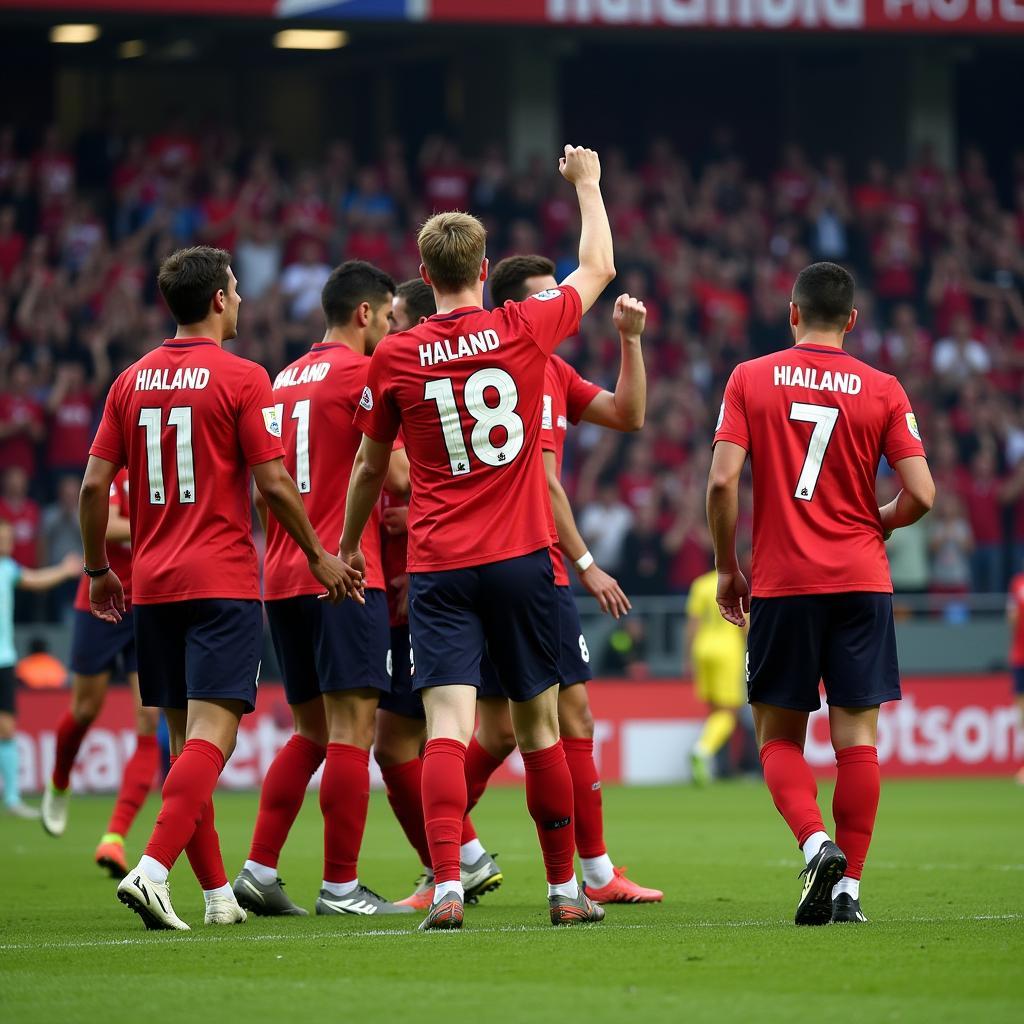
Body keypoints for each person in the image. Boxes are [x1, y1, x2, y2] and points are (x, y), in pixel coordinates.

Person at [340, 144, 616, 931]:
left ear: (423, 278)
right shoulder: (523, 329)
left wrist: (349, 547)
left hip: (440, 566)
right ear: (485, 265)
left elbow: (367, 468)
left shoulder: (394, 354)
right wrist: (588, 186)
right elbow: (596, 265)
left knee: (448, 728)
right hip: (525, 558)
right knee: (538, 728)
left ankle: (450, 888)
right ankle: (566, 893)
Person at [81, 245, 360, 932]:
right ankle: (152, 871)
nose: (239, 300)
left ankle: (217, 897)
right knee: (212, 740)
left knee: (183, 743)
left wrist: (97, 569)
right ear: (217, 301)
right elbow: (271, 484)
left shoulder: (128, 381)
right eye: (234, 291)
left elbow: (91, 486)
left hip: (151, 584)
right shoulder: (241, 377)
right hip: (221, 581)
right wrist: (320, 555)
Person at [708, 261, 935, 926]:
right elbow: (922, 494)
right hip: (863, 580)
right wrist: (880, 521)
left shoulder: (751, 377)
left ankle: (815, 844)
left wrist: (727, 566)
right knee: (856, 740)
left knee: (778, 738)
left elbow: (723, 483)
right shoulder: (884, 387)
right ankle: (849, 892)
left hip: (785, 583)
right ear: (854, 320)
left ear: (793, 313)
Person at [464, 253, 662, 904]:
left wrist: (629, 344)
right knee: (555, 721)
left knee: (515, 727)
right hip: (529, 565)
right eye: (548, 295)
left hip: (524, 568)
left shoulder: (553, 368)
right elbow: (544, 482)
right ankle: (573, 873)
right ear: (516, 308)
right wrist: (586, 564)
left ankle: (588, 871)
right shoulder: (513, 363)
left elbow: (627, 415)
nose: (563, 304)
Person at [233, 261, 413, 918]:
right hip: (344, 574)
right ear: (364, 313)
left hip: (283, 574)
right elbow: (394, 475)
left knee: (309, 730)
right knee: (352, 729)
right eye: (389, 316)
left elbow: (265, 486)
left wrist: (292, 550)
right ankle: (341, 887)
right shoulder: (365, 374)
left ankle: (257, 868)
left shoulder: (282, 379)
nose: (392, 329)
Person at [372, 279, 502, 912]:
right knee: (494, 726)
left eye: (396, 316)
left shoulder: (396, 369)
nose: (390, 326)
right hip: (475, 566)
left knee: (407, 738)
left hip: (422, 580)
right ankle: (471, 858)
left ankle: (449, 865)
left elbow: (392, 468)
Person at [40, 469, 163, 881]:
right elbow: (107, 525)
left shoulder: (165, 462)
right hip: (99, 595)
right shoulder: (120, 471)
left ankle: (115, 837)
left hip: (145, 601)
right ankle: (59, 783)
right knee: (86, 709)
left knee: (148, 720)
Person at [0, 519, 80, 818]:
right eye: (3, 537)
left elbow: (35, 580)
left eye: (9, 537)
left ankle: (11, 799)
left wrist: (63, 571)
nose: (8, 542)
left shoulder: (8, 570)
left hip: (4, 659)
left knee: (6, 728)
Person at [685, 566, 747, 784]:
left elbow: (693, 624)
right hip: (728, 651)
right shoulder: (737, 583)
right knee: (729, 713)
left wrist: (688, 657)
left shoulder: (700, 584)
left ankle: (716, 766)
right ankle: (703, 750)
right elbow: (743, 625)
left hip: (702, 649)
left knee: (715, 711)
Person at [1007, 567, 1024, 785]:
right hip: (1020, 656)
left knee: (1022, 711)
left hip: (1020, 655)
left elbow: (1012, 618)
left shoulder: (1018, 584)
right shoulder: (1017, 583)